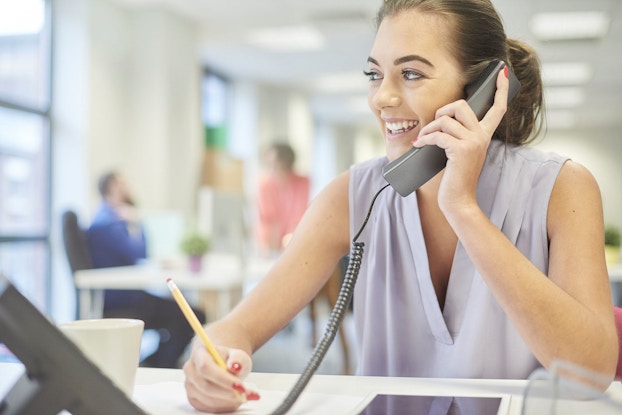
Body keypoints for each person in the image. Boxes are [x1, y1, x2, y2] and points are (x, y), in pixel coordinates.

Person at [182, 0, 618, 411]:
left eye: (410, 74)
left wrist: (463, 208)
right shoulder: (354, 194)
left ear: (484, 89)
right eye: (375, 74)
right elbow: (234, 328)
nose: (381, 98)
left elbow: (591, 372)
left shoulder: (561, 188)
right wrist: (210, 360)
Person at [87, 171, 206, 368]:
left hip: (124, 295)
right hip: (122, 300)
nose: (129, 188)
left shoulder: (105, 217)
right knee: (193, 316)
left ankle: (155, 362)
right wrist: (136, 222)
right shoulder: (108, 222)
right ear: (113, 187)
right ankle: (158, 365)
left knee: (185, 315)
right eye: (124, 183)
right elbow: (138, 252)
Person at [255, 142, 311, 256]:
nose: (272, 166)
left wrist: (292, 241)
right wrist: (272, 248)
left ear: (287, 161)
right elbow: (268, 217)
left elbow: (299, 213)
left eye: (275, 162)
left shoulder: (303, 182)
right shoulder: (264, 184)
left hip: (295, 240)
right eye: (269, 162)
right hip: (269, 243)